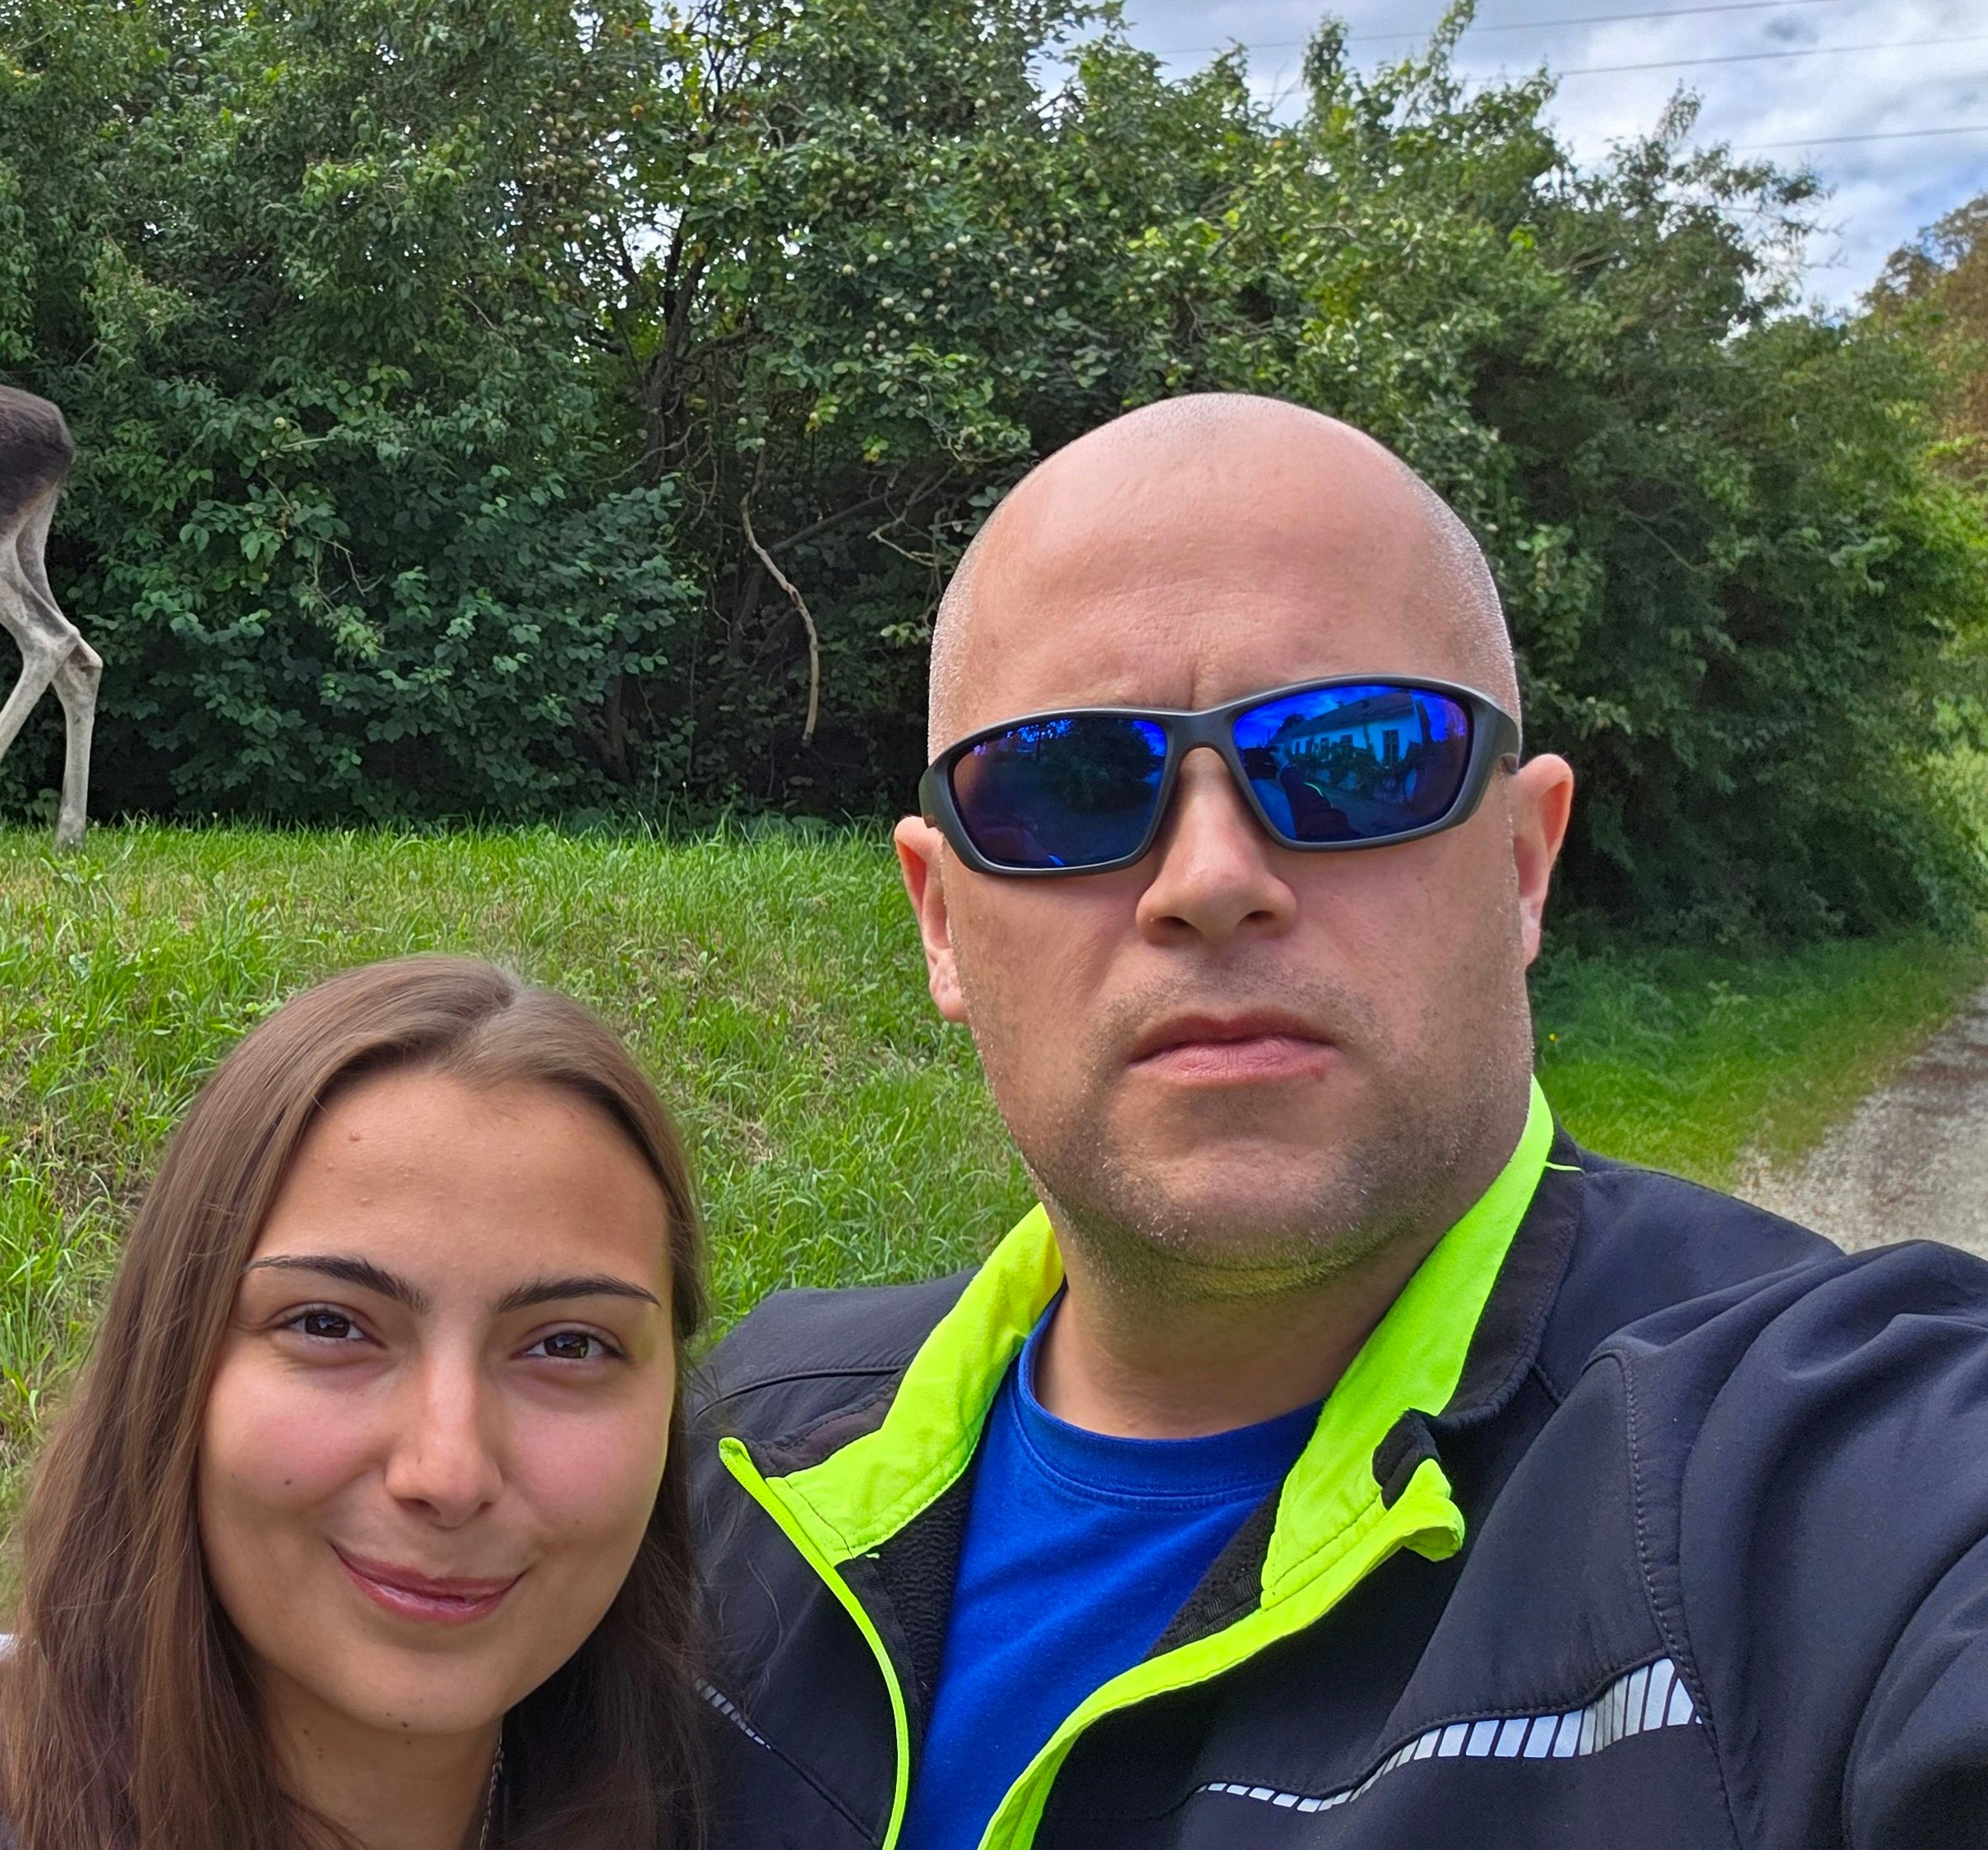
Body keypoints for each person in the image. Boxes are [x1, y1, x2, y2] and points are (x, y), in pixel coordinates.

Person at [688, 394, 1988, 1848]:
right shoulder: (730, 1453)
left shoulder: (1821, 1472)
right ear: (940, 918)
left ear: (1522, 862)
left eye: (1359, 754)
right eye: (1064, 780)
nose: (1210, 875)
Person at [0, 955, 708, 1850]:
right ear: (170, 1358)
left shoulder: (745, 1783)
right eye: (329, 1324)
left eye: (570, 1343)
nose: (448, 1468)